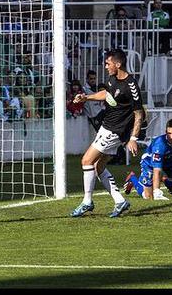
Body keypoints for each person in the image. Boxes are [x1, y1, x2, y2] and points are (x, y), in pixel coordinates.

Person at [71, 48, 144, 218]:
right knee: (98, 166)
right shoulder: (113, 78)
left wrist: (133, 138)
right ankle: (120, 201)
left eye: (108, 63)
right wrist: (86, 97)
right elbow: (106, 94)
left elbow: (139, 113)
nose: (105, 66)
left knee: (86, 160)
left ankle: (87, 202)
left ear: (117, 64)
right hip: (108, 127)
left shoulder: (131, 86)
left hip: (115, 130)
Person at [123, 118, 172, 200]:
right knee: (149, 197)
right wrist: (157, 192)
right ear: (166, 132)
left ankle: (166, 180)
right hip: (150, 163)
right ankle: (132, 178)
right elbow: (157, 170)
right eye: (169, 133)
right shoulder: (160, 144)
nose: (171, 137)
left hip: (170, 161)